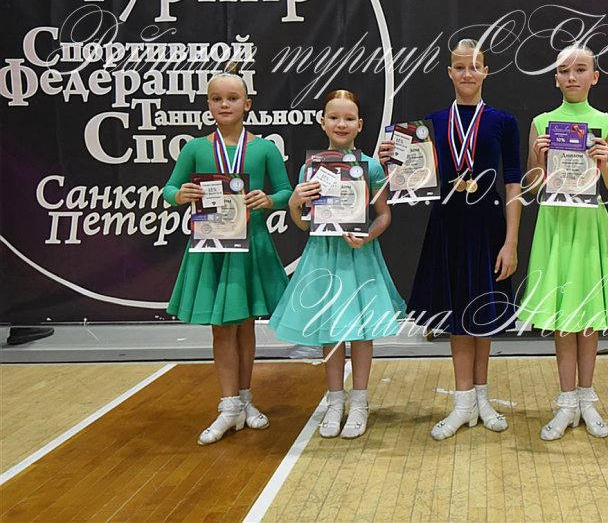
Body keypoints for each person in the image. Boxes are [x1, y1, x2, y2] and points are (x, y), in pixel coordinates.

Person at [379, 39, 522, 440]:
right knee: (458, 318)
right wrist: (392, 160)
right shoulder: (432, 123)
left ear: (486, 71)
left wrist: (511, 241)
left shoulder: (503, 121)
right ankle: (463, 403)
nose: (467, 73)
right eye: (460, 67)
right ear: (449, 72)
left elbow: (514, 183)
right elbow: (412, 179)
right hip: (448, 225)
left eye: (475, 66)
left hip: (489, 226)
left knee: (482, 315)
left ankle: (482, 399)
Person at [518, 44, 608, 441]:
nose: (572, 77)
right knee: (562, 315)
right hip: (555, 224)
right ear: (555, 78)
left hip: (589, 224)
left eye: (581, 69)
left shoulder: (607, 123)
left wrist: (605, 163)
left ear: (595, 77)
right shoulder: (542, 122)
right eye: (564, 70)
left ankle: (587, 399)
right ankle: (566, 402)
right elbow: (531, 187)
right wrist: (538, 158)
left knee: (587, 315)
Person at [163, 71, 291, 445]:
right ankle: (228, 404)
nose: (224, 104)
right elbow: (169, 188)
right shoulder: (194, 148)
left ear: (247, 104)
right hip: (213, 246)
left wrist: (269, 200)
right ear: (208, 105)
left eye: (232, 98)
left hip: (251, 245)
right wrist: (180, 195)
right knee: (221, 327)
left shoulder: (264, 148)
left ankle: (245, 400)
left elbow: (286, 191)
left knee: (246, 324)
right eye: (217, 98)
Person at [270, 90, 404, 439]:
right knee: (329, 330)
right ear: (322, 122)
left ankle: (359, 402)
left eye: (348, 118)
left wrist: (367, 236)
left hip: (359, 257)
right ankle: (334, 401)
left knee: (361, 332)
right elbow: (304, 224)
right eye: (334, 117)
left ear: (360, 124)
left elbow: (384, 215)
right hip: (323, 256)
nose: (341, 124)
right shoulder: (310, 167)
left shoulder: (371, 167)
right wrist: (294, 203)